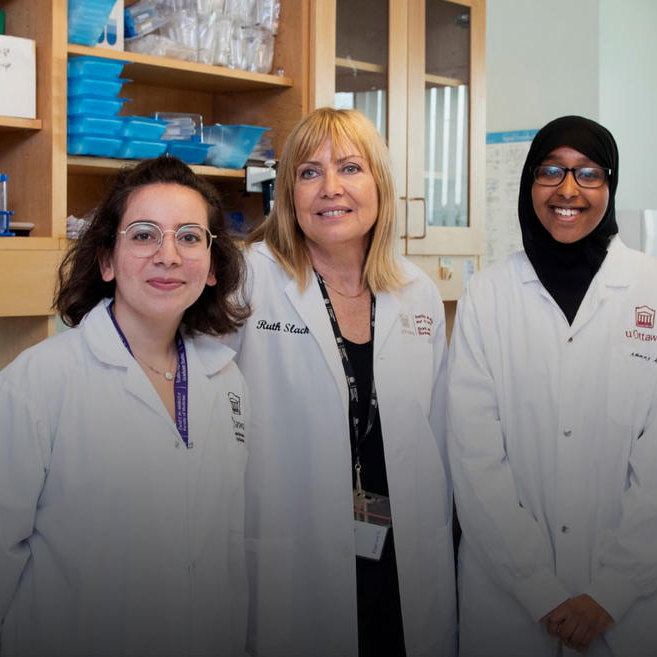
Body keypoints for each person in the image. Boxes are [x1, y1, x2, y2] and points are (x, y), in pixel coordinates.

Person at [0, 156, 252, 656]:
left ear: (211, 266)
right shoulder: (33, 386)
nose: (168, 255)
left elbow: (224, 547)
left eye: (190, 237)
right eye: (144, 235)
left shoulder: (225, 379)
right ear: (106, 260)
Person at [447, 115, 657, 657]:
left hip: (633, 608)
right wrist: (538, 589)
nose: (568, 189)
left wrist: (610, 593)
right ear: (528, 184)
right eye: (551, 171)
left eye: (588, 173)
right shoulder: (487, 296)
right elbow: (475, 460)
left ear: (609, 186)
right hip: (511, 601)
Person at [224, 108, 455, 657]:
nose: (331, 188)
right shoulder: (247, 279)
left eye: (350, 168)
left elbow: (439, 436)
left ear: (380, 185)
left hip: (400, 555)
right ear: (288, 193)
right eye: (309, 172)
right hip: (292, 553)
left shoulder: (416, 291)